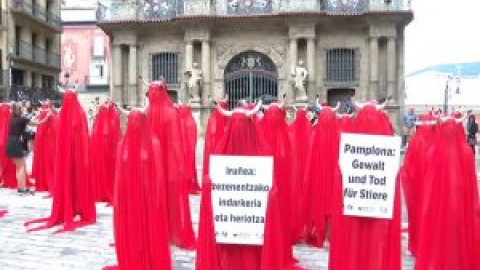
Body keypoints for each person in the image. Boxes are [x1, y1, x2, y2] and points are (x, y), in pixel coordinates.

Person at [6, 103, 49, 194]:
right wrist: (47, 117)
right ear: (20, 110)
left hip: (10, 142)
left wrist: (38, 115)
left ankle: (21, 186)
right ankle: (22, 188)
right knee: (21, 167)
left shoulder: (12, 119)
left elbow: (29, 121)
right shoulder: (22, 119)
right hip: (16, 142)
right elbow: (38, 124)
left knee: (19, 167)